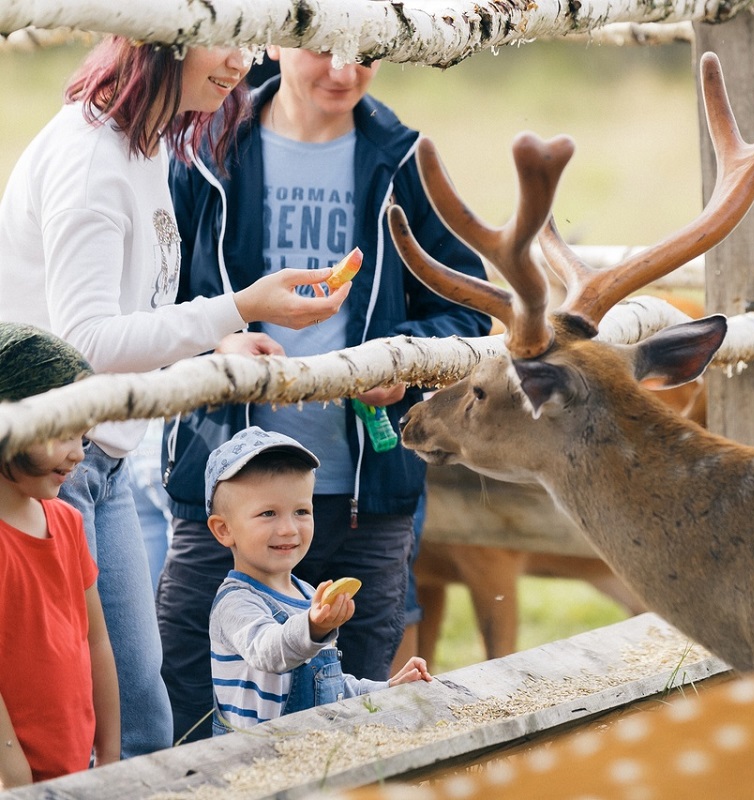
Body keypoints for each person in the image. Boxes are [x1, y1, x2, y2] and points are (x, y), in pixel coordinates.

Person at [0, 37, 349, 758]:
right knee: (68, 724)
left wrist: (213, 341)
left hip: (103, 458)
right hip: (48, 464)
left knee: (140, 718)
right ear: (161, 36)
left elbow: (130, 308)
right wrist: (239, 306)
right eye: (225, 37)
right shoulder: (91, 158)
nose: (243, 63)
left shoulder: (145, 145)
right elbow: (85, 341)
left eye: (253, 40)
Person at [157, 44, 490, 743]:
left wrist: (404, 359)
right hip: (221, 477)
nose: (344, 71)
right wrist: (218, 339)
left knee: (351, 723)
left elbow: (466, 307)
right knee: (185, 706)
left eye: (368, 52)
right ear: (277, 34)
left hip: (366, 493)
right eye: (322, 49)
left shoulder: (406, 160)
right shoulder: (205, 145)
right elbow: (156, 295)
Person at [204, 427, 432, 733]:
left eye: (301, 511)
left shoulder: (306, 593)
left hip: (310, 754)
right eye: (268, 513)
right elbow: (269, 651)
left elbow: (328, 685)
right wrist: (313, 628)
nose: (288, 529)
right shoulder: (236, 603)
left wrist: (388, 688)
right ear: (224, 530)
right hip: (258, 764)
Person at [0, 324, 120, 786]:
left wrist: (111, 755)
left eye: (84, 437)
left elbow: (97, 642)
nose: (77, 455)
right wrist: (15, 776)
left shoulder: (68, 524)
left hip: (76, 771)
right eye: (63, 435)